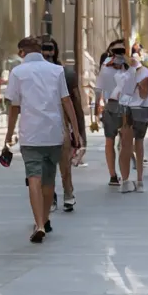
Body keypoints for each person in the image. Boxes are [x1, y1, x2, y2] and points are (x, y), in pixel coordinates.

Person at [4, 36, 82, 243]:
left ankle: (39, 224)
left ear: (23, 52)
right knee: (49, 180)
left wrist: (8, 135)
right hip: (54, 133)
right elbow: (67, 101)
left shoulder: (17, 72)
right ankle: (45, 219)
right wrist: (76, 131)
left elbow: (14, 107)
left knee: (33, 179)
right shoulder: (56, 71)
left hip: (30, 134)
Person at [41, 37, 83, 212]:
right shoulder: (35, 73)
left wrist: (79, 131)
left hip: (61, 122)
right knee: (45, 164)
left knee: (64, 162)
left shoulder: (64, 73)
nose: (47, 52)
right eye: (44, 48)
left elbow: (74, 102)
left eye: (50, 48)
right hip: (41, 123)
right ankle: (52, 196)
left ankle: (68, 192)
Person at [114, 51, 148, 193]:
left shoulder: (143, 73)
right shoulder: (122, 73)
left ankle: (136, 180)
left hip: (137, 109)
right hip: (130, 109)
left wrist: (137, 85)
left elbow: (144, 93)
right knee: (129, 145)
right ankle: (131, 180)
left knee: (133, 144)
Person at [95, 42, 130, 186]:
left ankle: (115, 174)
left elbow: (98, 89)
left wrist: (97, 105)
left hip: (117, 106)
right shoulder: (123, 69)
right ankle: (118, 174)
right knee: (117, 141)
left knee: (114, 141)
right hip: (119, 106)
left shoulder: (108, 69)